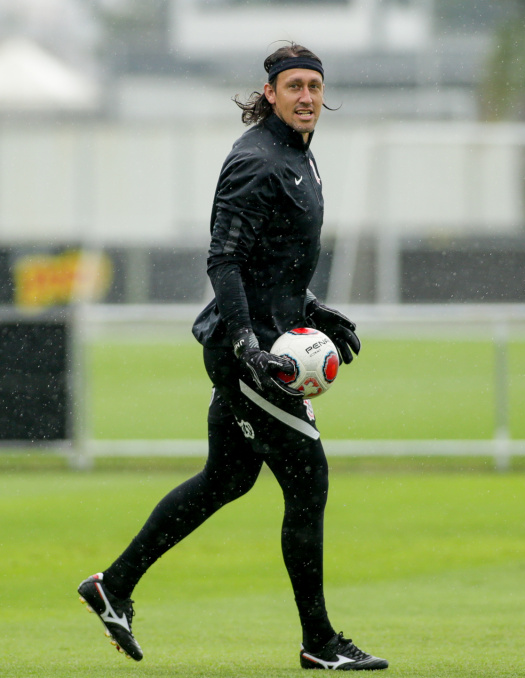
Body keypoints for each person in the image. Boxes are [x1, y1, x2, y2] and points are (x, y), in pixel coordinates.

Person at [77, 43, 388, 671]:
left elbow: (273, 262)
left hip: (267, 337)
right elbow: (224, 258)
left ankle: (114, 586)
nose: (307, 96)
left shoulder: (299, 156)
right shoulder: (256, 161)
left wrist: (315, 310)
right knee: (309, 480)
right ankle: (319, 643)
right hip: (248, 352)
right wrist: (249, 343)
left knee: (228, 479)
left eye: (315, 86)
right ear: (268, 94)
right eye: (294, 86)